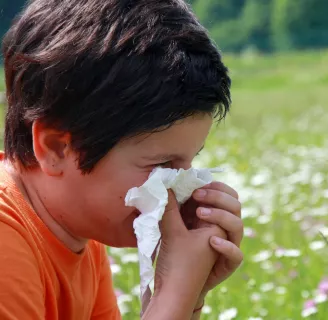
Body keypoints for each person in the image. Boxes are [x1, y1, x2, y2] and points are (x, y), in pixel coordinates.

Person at [0, 0, 244, 319]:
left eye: (189, 162)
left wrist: (187, 296)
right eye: (161, 165)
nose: (181, 190)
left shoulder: (76, 230)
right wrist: (176, 293)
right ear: (57, 148)